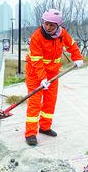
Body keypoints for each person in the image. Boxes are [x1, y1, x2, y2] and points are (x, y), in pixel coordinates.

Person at [24, 9, 83, 146]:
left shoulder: (62, 34)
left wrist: (77, 57)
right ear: (42, 22)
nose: (48, 27)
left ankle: (45, 127)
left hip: (53, 73)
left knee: (50, 100)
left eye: (52, 25)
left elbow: (72, 46)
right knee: (35, 103)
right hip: (35, 73)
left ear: (58, 25)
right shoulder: (36, 37)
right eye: (46, 24)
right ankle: (30, 133)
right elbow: (37, 60)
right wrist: (42, 78)